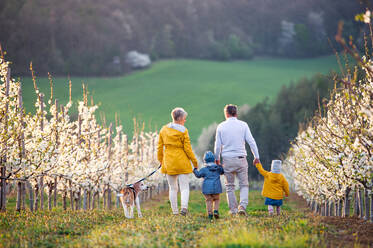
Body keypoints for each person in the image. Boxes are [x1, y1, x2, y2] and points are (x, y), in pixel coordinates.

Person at [214, 104, 260, 216]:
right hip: (241, 158)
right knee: (244, 184)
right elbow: (251, 141)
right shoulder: (243, 125)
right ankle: (242, 206)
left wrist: (217, 158)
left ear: (226, 114)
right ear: (236, 113)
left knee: (230, 186)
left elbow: (217, 145)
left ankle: (233, 210)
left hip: (227, 159)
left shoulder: (221, 126)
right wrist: (256, 156)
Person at [157, 107, 198, 216]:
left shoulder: (164, 129)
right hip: (182, 161)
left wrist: (161, 161)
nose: (185, 120)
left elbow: (159, 147)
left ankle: (175, 212)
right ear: (179, 118)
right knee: (184, 187)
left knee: (172, 188)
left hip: (169, 161)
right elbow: (188, 149)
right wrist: (195, 162)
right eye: (184, 118)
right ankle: (184, 208)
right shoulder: (183, 131)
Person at [193, 151, 224, 220]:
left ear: (205, 161)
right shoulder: (218, 168)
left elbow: (198, 175)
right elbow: (222, 172)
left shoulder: (204, 169)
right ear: (214, 160)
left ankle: (210, 214)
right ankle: (215, 210)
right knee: (216, 199)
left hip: (207, 189)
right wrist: (220, 165)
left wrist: (195, 170)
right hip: (217, 188)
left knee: (209, 201)